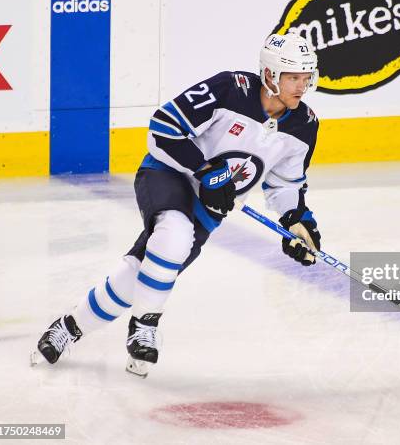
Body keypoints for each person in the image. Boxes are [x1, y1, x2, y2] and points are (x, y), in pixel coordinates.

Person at [30, 33, 322, 377]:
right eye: (293, 78)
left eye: (306, 77)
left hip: (209, 208)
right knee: (174, 234)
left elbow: (286, 185)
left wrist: (297, 222)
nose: (301, 86)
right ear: (271, 75)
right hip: (167, 173)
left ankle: (68, 327)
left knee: (140, 274)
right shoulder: (231, 88)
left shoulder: (304, 125)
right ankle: (145, 326)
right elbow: (163, 126)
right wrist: (204, 170)